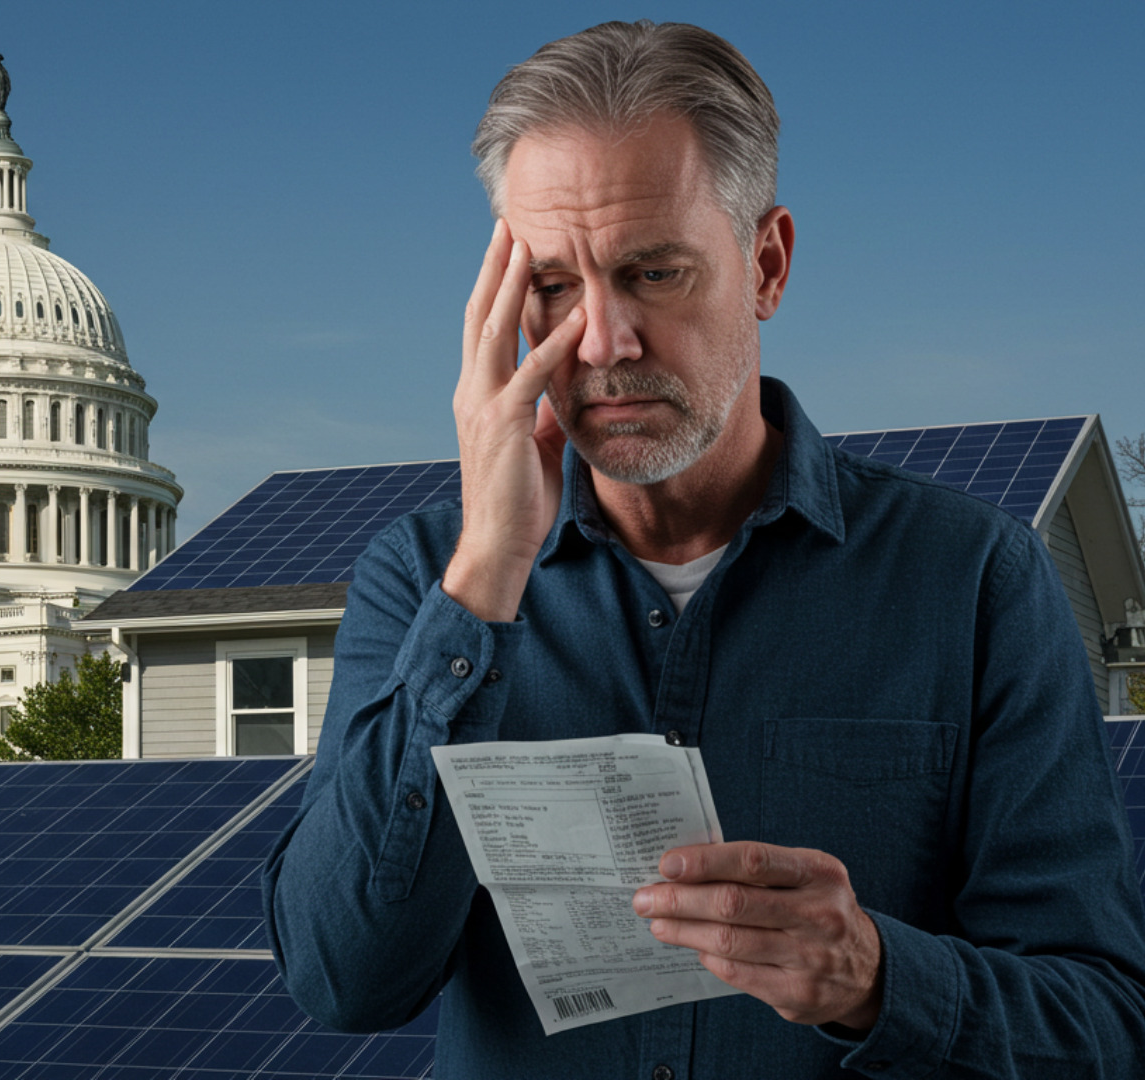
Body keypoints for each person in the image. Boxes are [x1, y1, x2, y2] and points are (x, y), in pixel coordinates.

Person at [261, 19, 1145, 1079]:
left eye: (654, 273)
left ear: (766, 266)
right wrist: (488, 572)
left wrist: (876, 979)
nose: (601, 342)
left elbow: (1101, 1024)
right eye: (550, 285)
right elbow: (343, 979)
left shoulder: (972, 584)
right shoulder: (422, 581)